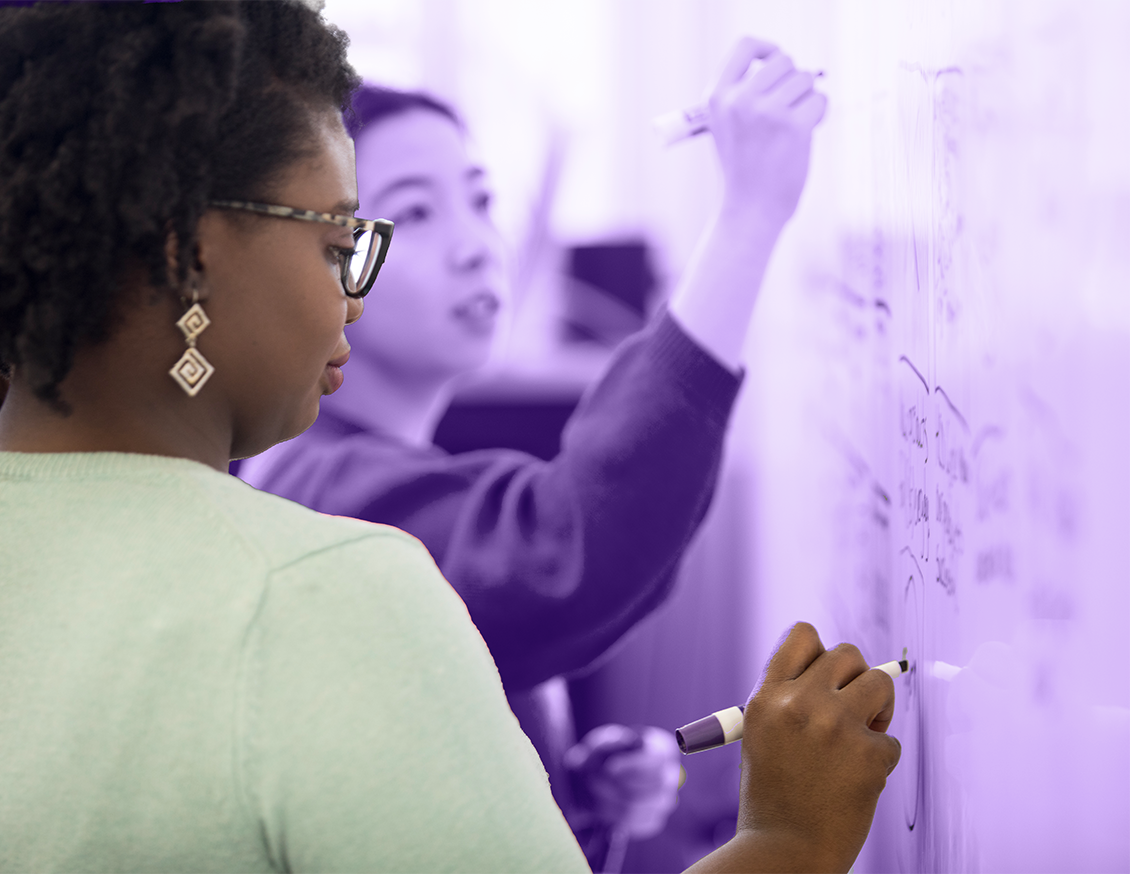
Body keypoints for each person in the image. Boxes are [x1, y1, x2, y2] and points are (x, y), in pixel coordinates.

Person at [0, 1, 899, 871]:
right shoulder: (331, 586)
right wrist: (788, 841)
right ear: (192, 258)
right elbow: (571, 546)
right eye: (339, 240)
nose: (350, 290)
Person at [236, 43, 827, 867]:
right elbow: (570, 547)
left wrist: (566, 795)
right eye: (417, 213)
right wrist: (749, 215)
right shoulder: (324, 499)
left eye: (480, 201)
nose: (478, 244)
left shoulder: (338, 473)